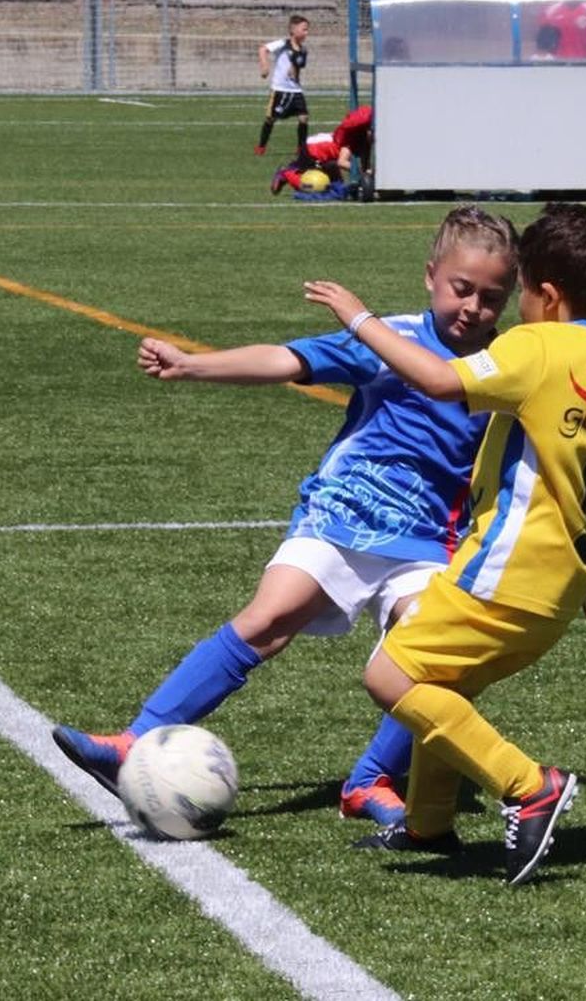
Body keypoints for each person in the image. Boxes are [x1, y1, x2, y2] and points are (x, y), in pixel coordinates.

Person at [52, 206, 521, 829]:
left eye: (492, 298)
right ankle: (134, 742)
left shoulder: (504, 370)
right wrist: (193, 364)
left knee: (440, 658)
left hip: (427, 541)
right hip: (342, 516)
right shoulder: (393, 340)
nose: (473, 308)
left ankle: (368, 782)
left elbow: (527, 470)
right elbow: (287, 360)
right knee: (269, 620)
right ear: (431, 275)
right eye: (462, 289)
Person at [302, 203, 586, 884]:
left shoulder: (535, 345)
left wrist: (359, 319)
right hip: (559, 587)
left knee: (389, 675)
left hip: (502, 573)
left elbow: (440, 380)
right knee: (444, 681)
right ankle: (429, 823)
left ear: (547, 295)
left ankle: (527, 785)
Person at [269, 105, 373, 195]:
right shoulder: (350, 141)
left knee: (337, 185)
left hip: (327, 158)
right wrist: (363, 173)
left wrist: (368, 173)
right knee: (309, 187)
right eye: (370, 130)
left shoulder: (363, 141)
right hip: (312, 151)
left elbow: (365, 164)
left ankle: (293, 168)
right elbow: (342, 162)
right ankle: (285, 173)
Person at [256, 15, 309, 156]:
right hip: (280, 89)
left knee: (304, 117)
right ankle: (261, 147)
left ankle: (301, 149)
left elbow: (297, 69)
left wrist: (295, 74)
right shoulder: (283, 44)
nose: (306, 33)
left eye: (307, 30)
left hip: (296, 90)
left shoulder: (303, 50)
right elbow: (263, 49)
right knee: (271, 118)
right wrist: (265, 67)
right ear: (293, 29)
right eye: (304, 29)